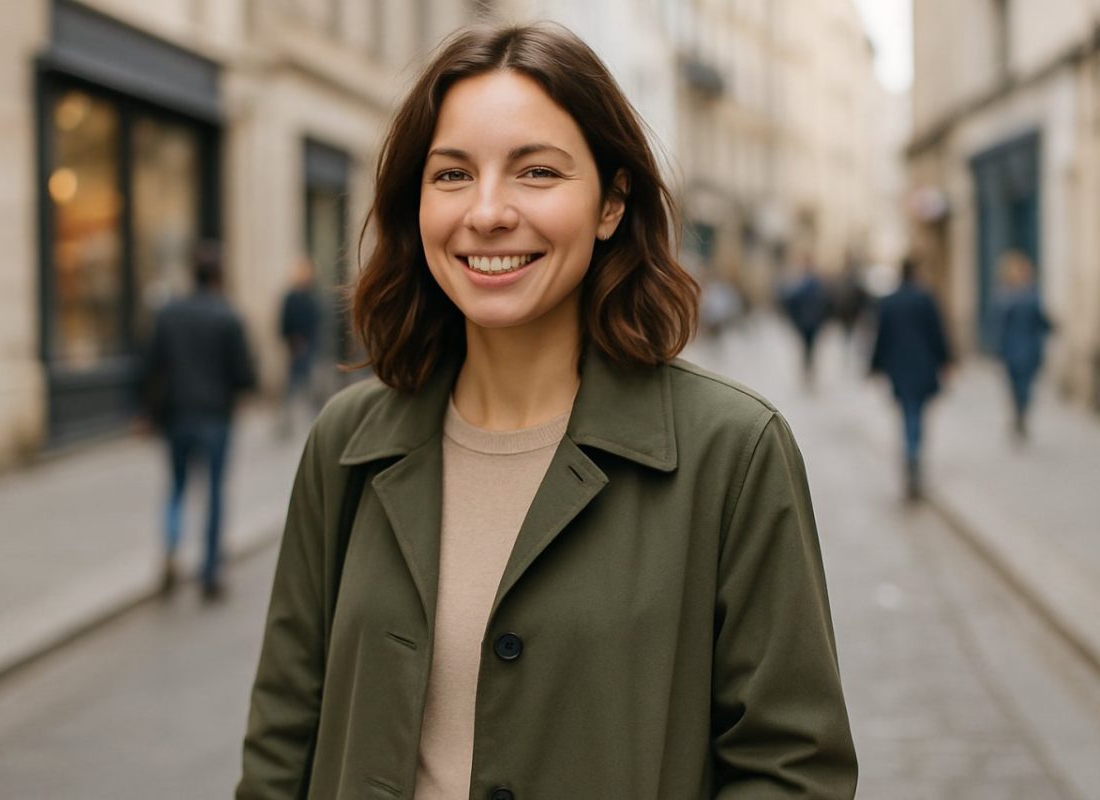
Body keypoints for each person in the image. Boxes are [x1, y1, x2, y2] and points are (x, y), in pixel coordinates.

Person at [238, 23, 856, 799]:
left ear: (610, 204)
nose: (487, 211)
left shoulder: (731, 452)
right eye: (452, 174)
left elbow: (794, 769)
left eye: (536, 171)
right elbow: (282, 736)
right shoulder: (346, 442)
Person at [143, 240, 256, 600]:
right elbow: (246, 376)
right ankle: (209, 571)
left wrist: (147, 413)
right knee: (214, 494)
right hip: (215, 417)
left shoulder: (169, 313)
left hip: (178, 415)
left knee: (177, 487)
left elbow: (151, 366)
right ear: (219, 275)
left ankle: (170, 551)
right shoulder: (228, 316)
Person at [869, 256, 951, 500]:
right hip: (923, 366)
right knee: (917, 414)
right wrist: (946, 360)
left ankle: (911, 454)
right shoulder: (925, 299)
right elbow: (937, 333)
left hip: (899, 368)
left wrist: (874, 366)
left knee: (908, 412)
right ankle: (913, 455)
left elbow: (881, 336)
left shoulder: (889, 301)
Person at [995, 250, 1053, 441]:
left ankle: (1020, 413)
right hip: (1019, 348)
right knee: (1019, 386)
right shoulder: (1013, 297)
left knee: (1022, 386)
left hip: (1022, 349)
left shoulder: (1013, 296)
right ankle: (1020, 413)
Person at [278, 256, 323, 435]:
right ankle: (286, 422)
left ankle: (313, 421)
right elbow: (284, 322)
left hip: (309, 347)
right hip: (295, 347)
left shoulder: (312, 297)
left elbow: (317, 323)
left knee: (310, 385)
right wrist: (291, 340)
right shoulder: (292, 297)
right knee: (292, 386)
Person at [780, 255, 829, 387]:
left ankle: (808, 371)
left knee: (808, 349)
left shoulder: (805, 284)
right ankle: (808, 371)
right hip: (808, 323)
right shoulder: (809, 284)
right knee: (808, 349)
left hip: (809, 323)